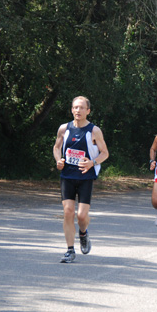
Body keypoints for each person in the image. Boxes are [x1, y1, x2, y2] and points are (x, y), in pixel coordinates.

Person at [53, 96, 109, 263]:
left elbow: (105, 153)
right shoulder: (64, 129)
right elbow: (56, 148)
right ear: (72, 110)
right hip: (67, 176)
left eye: (81, 108)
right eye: (75, 107)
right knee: (68, 212)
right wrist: (58, 160)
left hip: (85, 177)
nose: (78, 110)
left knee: (82, 216)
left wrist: (93, 162)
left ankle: (83, 233)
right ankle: (70, 250)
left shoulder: (94, 131)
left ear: (88, 111)